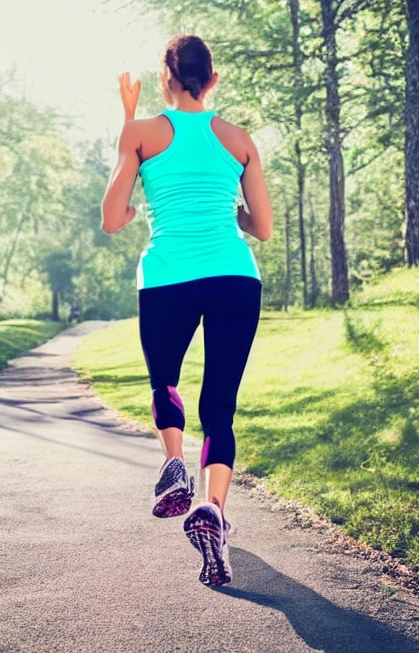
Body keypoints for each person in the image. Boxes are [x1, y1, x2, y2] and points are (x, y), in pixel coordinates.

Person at [101, 34, 273, 587]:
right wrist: (233, 214)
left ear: (166, 80)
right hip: (234, 278)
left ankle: (174, 464)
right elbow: (263, 227)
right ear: (212, 80)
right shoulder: (239, 140)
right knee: (219, 407)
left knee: (165, 383)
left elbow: (113, 218)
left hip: (167, 278)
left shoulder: (141, 133)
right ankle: (213, 511)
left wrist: (129, 125)